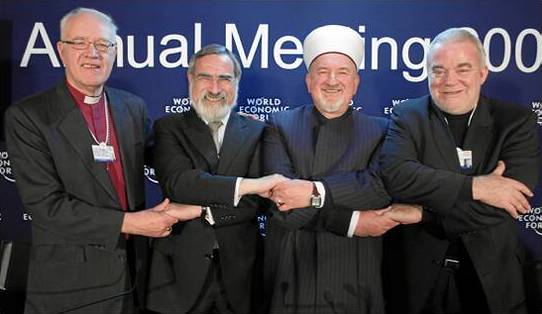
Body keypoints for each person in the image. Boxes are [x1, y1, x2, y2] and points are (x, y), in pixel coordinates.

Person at [3, 7, 182, 314]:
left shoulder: (131, 107)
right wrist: (131, 223)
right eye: (80, 43)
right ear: (61, 50)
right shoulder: (28, 116)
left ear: (114, 51)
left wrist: (224, 131)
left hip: (133, 280)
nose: (93, 53)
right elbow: (46, 206)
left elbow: (167, 154)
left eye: (103, 45)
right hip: (69, 288)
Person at [262, 25, 421, 314]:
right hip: (292, 272)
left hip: (357, 274)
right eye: (322, 72)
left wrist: (313, 191)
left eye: (343, 72)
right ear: (309, 81)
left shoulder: (382, 130)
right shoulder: (279, 124)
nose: (332, 80)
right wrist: (353, 221)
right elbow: (283, 203)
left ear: (356, 82)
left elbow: (379, 189)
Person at [380, 27, 540, 314]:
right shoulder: (407, 115)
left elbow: (507, 205)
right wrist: (475, 187)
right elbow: (397, 177)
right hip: (416, 280)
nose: (449, 81)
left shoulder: (516, 122)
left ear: (482, 73)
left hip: (493, 280)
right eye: (438, 70)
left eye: (462, 69)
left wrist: (423, 213)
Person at [146, 44, 285, 314]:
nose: (215, 87)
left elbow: (257, 202)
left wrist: (196, 210)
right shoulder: (168, 128)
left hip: (241, 275)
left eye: (224, 78)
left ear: (236, 83)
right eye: (205, 77)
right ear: (190, 79)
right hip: (177, 273)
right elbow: (180, 184)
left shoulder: (259, 131)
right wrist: (245, 186)